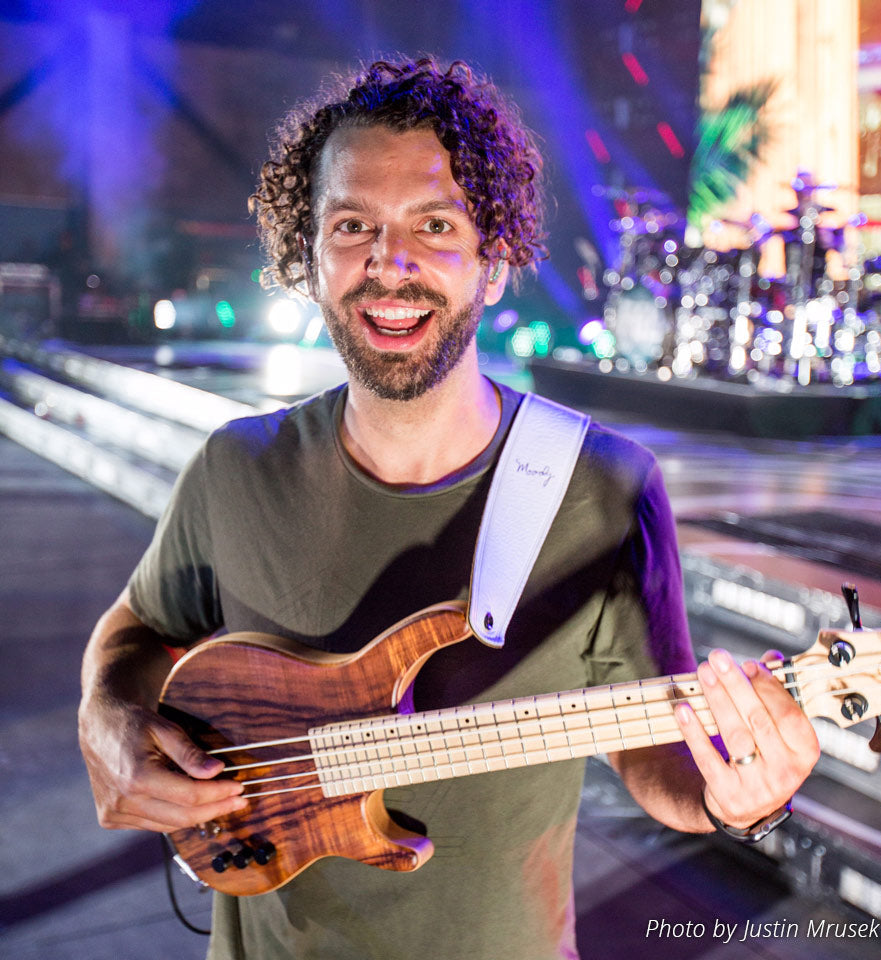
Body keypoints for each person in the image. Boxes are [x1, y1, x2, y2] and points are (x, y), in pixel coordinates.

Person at [78, 57, 819, 960]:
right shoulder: (235, 469)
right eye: (352, 225)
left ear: (493, 261)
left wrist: (733, 797)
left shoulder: (604, 488)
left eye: (434, 225)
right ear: (306, 259)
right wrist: (111, 719)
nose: (390, 264)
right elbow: (137, 628)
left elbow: (651, 749)